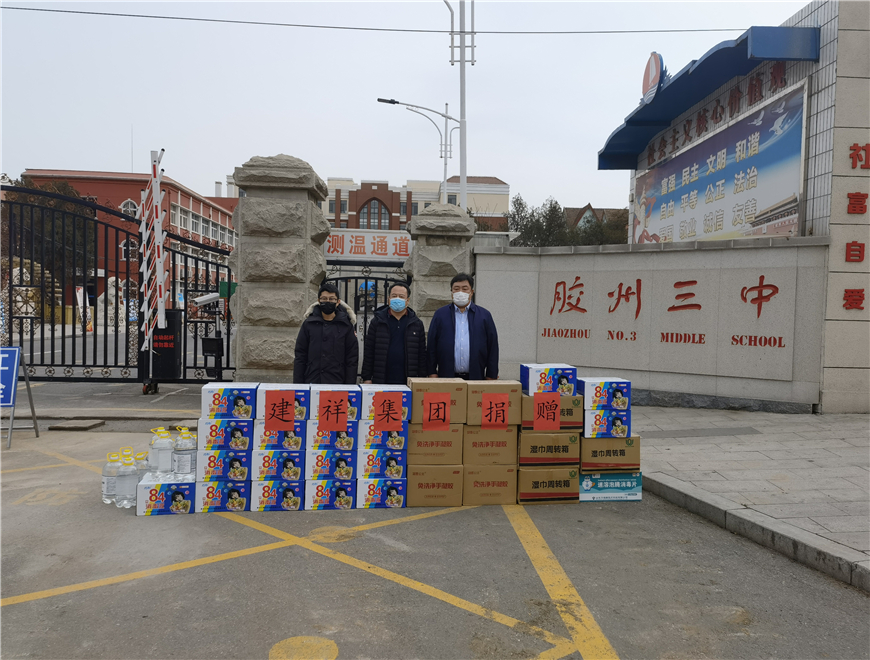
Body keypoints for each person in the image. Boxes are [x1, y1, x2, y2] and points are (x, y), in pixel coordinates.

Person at [428, 273, 499, 380]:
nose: (460, 292)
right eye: (456, 289)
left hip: (476, 377)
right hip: (446, 376)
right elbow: (431, 345)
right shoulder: (440, 314)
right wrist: (432, 372)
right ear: (451, 292)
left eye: (465, 289)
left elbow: (492, 346)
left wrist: (491, 374)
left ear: (471, 292)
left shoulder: (484, 315)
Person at [361, 282, 427, 384]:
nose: (397, 299)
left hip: (408, 380)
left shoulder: (416, 324)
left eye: (401, 296)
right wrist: (367, 377)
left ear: (407, 300)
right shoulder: (377, 322)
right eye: (394, 296)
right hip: (381, 379)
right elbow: (369, 351)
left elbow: (421, 354)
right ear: (389, 299)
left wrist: (422, 379)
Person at [294, 283, 358, 384]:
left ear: (338, 302)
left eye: (331, 299)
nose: (328, 301)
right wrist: (298, 385)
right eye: (324, 298)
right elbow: (300, 355)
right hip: (312, 380)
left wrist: (349, 386)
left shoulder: (346, 326)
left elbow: (352, 358)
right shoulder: (309, 324)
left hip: (337, 382)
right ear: (319, 301)